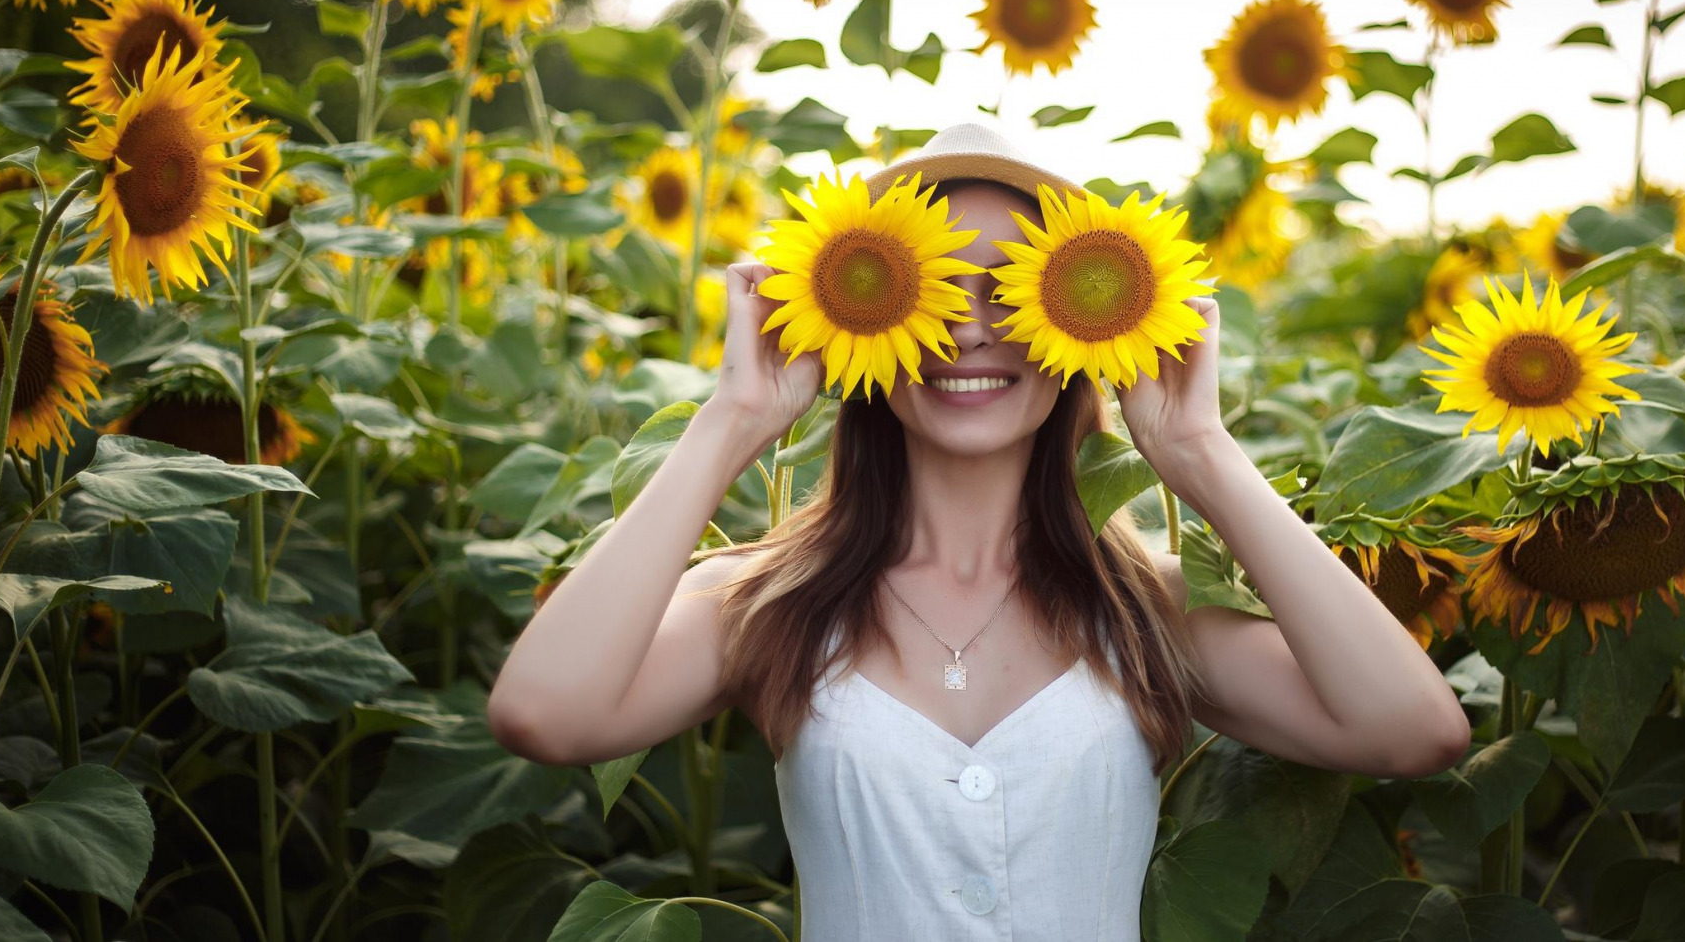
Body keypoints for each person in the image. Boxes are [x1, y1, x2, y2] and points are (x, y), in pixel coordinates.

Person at [488, 123, 1470, 939]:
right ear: (858, 317)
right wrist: (733, 423)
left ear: (1088, 320)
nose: (971, 325)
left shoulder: (1145, 609)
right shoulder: (768, 600)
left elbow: (1413, 731)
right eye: (932, 283)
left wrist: (1200, 450)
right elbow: (545, 715)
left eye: (1014, 285)